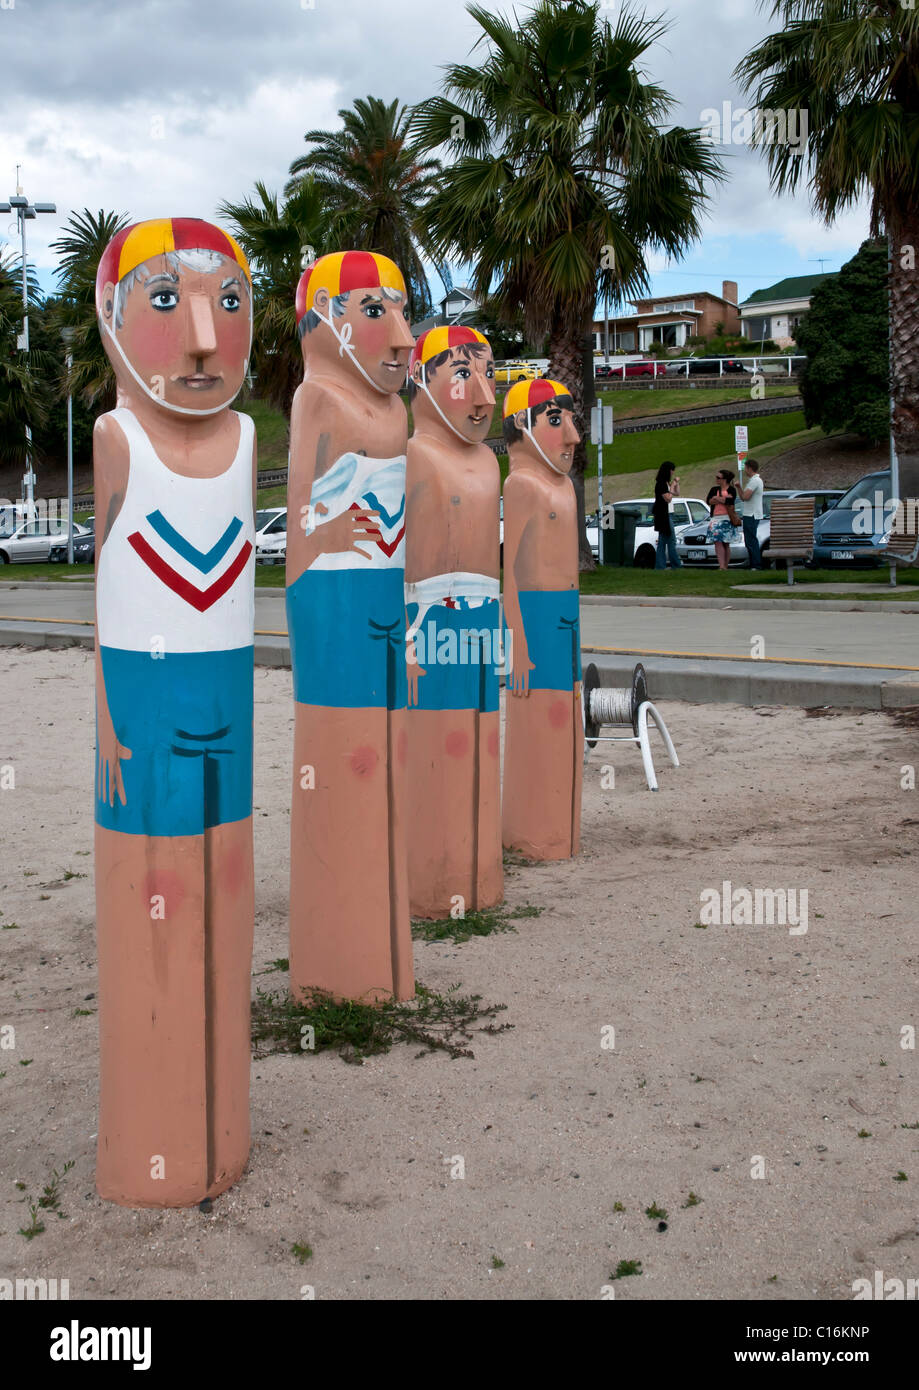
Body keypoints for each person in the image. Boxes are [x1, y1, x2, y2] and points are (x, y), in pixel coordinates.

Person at [93, 217, 257, 1206]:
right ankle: (154, 1138)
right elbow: (107, 604)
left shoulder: (243, 440)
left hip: (226, 697)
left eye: (227, 302)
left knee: (228, 877)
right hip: (146, 707)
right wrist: (109, 721)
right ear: (110, 320)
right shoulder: (116, 438)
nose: (202, 335)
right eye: (165, 300)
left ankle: (220, 1123)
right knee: (153, 887)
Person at [286, 249, 416, 1005]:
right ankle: (342, 968)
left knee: (388, 760)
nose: (401, 337)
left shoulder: (395, 410)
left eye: (402, 311)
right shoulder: (321, 401)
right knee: (349, 760)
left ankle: (382, 950)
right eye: (376, 311)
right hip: (334, 601)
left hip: (384, 603)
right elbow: (317, 528)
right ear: (326, 319)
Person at [405, 325, 502, 918]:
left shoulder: (491, 463)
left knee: (484, 739)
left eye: (489, 375)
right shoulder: (413, 455)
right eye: (463, 374)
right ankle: (436, 879)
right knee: (441, 743)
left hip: (484, 617)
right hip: (431, 618)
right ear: (422, 380)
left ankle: (480, 872)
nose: (485, 397)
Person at [501, 378, 583, 861]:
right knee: (543, 718)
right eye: (556, 420)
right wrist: (518, 643)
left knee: (568, 717)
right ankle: (535, 831)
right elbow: (508, 569)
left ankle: (561, 830)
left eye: (570, 420)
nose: (572, 435)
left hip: (567, 615)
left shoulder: (565, 487)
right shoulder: (521, 484)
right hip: (535, 615)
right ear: (521, 427)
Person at [706, 468, 740, 570]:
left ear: (724, 479)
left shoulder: (732, 489)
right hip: (716, 519)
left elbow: (730, 501)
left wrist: (717, 498)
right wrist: (722, 499)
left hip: (727, 518)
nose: (716, 479)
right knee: (717, 542)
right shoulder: (714, 489)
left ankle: (725, 565)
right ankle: (721, 566)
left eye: (718, 477)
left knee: (726, 543)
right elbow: (709, 501)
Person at [653, 460, 682, 570]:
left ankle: (660, 566)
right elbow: (668, 499)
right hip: (663, 515)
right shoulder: (660, 484)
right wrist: (672, 486)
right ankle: (676, 565)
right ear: (668, 471)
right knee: (671, 540)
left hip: (667, 514)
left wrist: (675, 484)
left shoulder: (666, 483)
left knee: (663, 540)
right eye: (672, 471)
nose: (673, 473)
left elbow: (677, 493)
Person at [735, 457, 764, 568]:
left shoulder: (755, 481)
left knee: (751, 540)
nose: (745, 471)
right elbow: (743, 497)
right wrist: (739, 487)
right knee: (749, 541)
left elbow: (745, 497)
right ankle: (753, 563)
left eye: (746, 468)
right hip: (749, 514)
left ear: (750, 468)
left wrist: (739, 488)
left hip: (752, 514)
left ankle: (756, 564)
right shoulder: (753, 481)